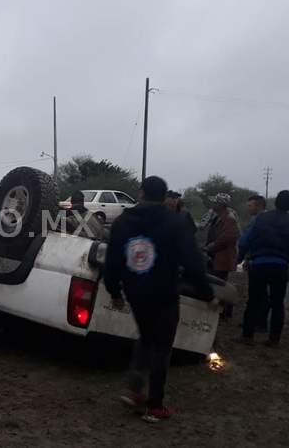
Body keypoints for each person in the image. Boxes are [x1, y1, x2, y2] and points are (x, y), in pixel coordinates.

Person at [104, 176, 215, 423]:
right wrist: (207, 294)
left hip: (135, 291)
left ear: (141, 193)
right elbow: (192, 261)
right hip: (164, 292)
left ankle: (134, 390)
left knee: (145, 337)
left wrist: (114, 291)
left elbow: (112, 259)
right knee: (162, 347)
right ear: (165, 196)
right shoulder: (174, 222)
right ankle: (155, 406)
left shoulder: (123, 221)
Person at [237, 190, 289, 346]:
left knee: (253, 301)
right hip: (280, 267)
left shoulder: (260, 219)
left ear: (275, 202)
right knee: (277, 303)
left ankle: (247, 336)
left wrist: (240, 258)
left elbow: (245, 240)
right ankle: (274, 339)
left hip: (258, 265)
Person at [204, 193, 239, 320]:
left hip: (222, 256)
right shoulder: (218, 217)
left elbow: (226, 238)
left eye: (215, 202)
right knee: (218, 282)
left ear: (221, 205)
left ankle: (224, 312)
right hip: (217, 256)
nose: (212, 204)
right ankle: (222, 311)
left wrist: (209, 247)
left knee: (220, 283)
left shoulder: (229, 219)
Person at [239, 195, 268, 332]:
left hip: (258, 260)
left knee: (257, 294)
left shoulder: (258, 220)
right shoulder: (265, 219)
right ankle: (260, 322)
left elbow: (247, 241)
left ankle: (253, 324)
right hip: (269, 261)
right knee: (263, 294)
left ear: (259, 206)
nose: (248, 208)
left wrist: (243, 258)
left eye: (250, 205)